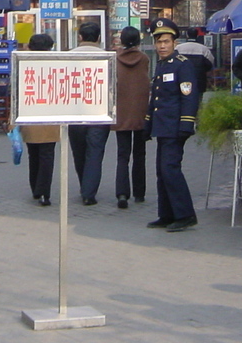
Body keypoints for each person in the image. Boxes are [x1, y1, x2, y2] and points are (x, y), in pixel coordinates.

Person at [144, 19, 202, 232]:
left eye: (166, 42)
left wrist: (187, 123)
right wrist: (148, 123)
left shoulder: (182, 64)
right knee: (162, 171)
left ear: (174, 42)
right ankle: (167, 214)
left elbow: (189, 96)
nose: (162, 46)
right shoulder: (161, 65)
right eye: (159, 42)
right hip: (163, 127)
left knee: (170, 169)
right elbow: (156, 98)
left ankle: (185, 215)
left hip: (176, 127)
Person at [67, 20, 110, 206]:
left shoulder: (67, 57)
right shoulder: (108, 57)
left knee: (79, 152)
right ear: (99, 38)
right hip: (100, 114)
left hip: (75, 114)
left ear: (80, 37)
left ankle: (84, 185)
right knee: (95, 153)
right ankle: (88, 192)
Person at [18, 33, 59, 207]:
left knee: (33, 154)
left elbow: (17, 93)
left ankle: (36, 188)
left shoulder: (23, 65)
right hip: (50, 117)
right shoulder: (57, 66)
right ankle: (44, 193)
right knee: (47, 156)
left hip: (29, 115)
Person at [112, 26, 150, 210]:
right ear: (138, 41)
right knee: (140, 154)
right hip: (141, 113)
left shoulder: (115, 59)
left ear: (122, 40)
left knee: (122, 155)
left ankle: (122, 193)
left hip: (122, 113)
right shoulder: (144, 59)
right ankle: (140, 192)